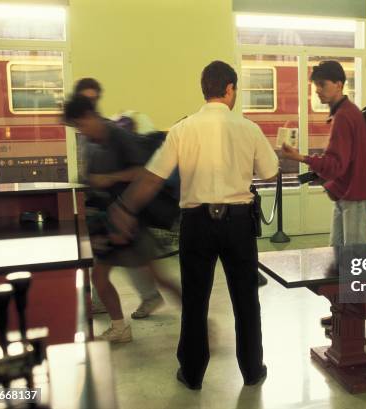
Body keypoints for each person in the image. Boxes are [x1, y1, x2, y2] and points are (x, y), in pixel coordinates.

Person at [108, 61, 278, 389]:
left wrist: (124, 207)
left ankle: (192, 372)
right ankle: (252, 370)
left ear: (206, 89)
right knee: (245, 300)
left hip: (197, 225)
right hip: (239, 224)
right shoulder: (248, 128)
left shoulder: (182, 129)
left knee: (195, 301)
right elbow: (271, 173)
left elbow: (152, 178)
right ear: (229, 89)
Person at [63, 94, 181, 342]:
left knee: (158, 277)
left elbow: (146, 172)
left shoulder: (119, 136)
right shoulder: (95, 142)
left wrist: (111, 178)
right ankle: (119, 327)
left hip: (131, 223)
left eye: (80, 125)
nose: (80, 131)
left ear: (89, 116)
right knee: (100, 277)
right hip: (111, 223)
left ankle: (197, 319)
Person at [73, 78, 166, 319]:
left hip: (127, 215)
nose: (91, 102)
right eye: (87, 98)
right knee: (101, 271)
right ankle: (115, 318)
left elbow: (142, 173)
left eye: (94, 98)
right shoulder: (88, 135)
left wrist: (108, 180)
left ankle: (164, 303)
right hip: (110, 215)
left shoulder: (113, 131)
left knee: (154, 274)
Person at [280, 60, 366, 246]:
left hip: (353, 196)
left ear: (339, 84)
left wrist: (299, 157)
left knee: (353, 259)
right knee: (336, 256)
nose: (317, 90)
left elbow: (335, 165)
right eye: (316, 85)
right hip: (349, 194)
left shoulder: (345, 116)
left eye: (322, 84)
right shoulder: (347, 112)